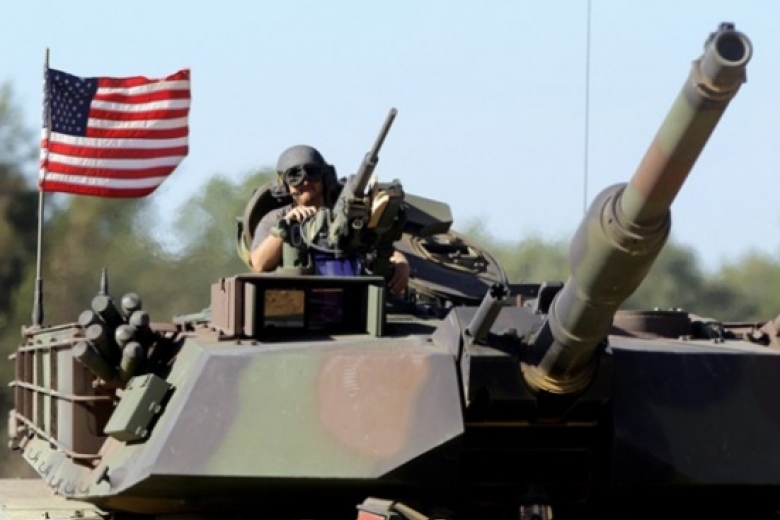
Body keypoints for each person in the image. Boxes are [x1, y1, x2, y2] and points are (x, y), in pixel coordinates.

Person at [250, 144, 410, 295]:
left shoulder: (342, 215)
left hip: (351, 294)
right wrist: (284, 228)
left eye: (312, 173)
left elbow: (374, 243)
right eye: (295, 176)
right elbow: (259, 264)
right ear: (285, 185)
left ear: (324, 178)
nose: (305, 181)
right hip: (300, 297)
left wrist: (401, 262)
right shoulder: (278, 218)